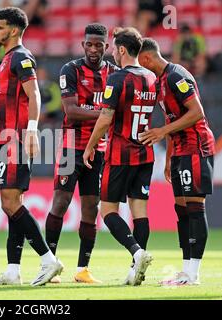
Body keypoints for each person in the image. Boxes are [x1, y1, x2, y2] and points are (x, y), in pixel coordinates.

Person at [0, 7, 63, 286]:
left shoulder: (20, 57)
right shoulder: (6, 60)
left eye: (0, 27)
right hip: (6, 137)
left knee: (9, 203)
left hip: (16, 138)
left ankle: (48, 260)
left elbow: (35, 95)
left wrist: (31, 130)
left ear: (14, 30)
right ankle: (12, 269)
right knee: (13, 204)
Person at [44, 23, 118, 284]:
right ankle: (49, 265)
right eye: (90, 44)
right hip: (70, 147)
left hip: (99, 149)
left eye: (99, 44)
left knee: (91, 207)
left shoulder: (115, 73)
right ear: (83, 44)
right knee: (61, 203)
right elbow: (71, 111)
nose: (94, 49)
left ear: (106, 46)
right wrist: (106, 114)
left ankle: (82, 269)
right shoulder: (71, 70)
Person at [138, 38, 216, 285]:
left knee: (194, 207)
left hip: (196, 146)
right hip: (181, 149)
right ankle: (185, 271)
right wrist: (169, 155)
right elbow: (175, 118)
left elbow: (197, 112)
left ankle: (193, 274)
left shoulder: (176, 76)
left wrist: (161, 131)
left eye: (140, 63)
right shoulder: (160, 82)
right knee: (181, 210)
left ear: (147, 58)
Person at [82, 27, 156, 286]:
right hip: (145, 152)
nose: (112, 52)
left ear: (122, 50)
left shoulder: (117, 79)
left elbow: (105, 118)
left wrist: (90, 146)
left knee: (108, 210)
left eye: (114, 48)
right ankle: (136, 270)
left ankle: (137, 252)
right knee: (140, 211)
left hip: (120, 153)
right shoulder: (150, 77)